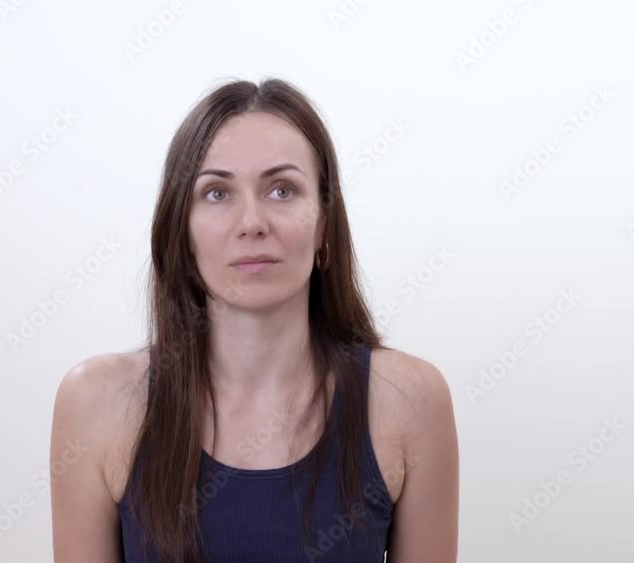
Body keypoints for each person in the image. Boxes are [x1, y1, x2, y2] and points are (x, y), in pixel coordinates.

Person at [49, 77, 459, 563]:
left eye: (282, 190)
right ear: (182, 229)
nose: (252, 223)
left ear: (324, 224)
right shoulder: (97, 403)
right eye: (217, 193)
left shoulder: (409, 401)